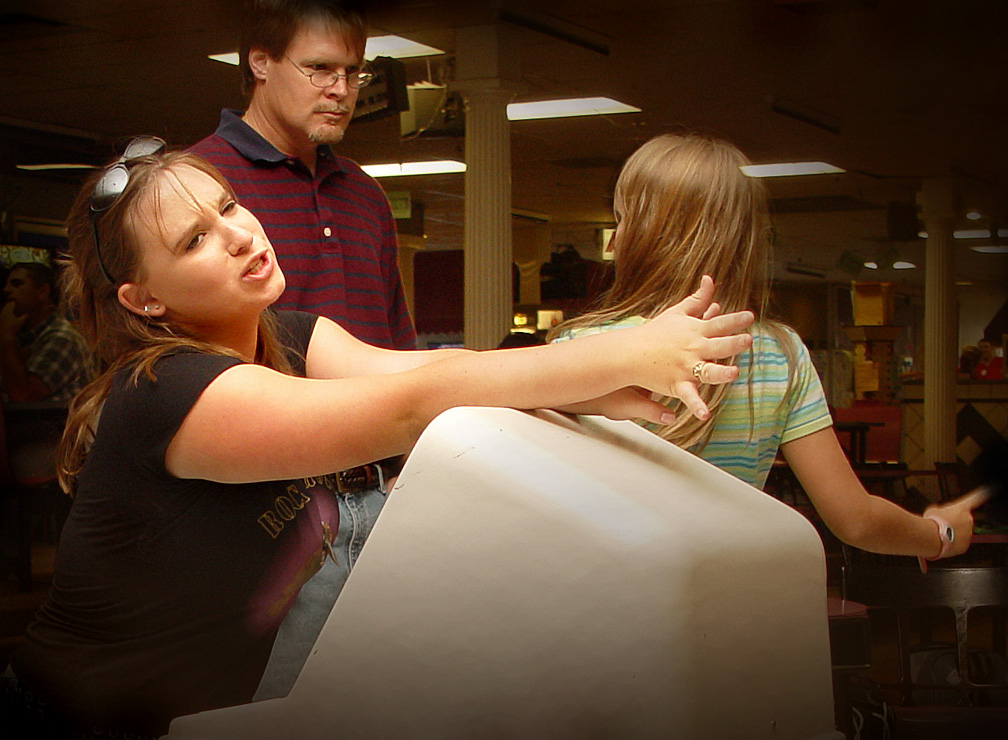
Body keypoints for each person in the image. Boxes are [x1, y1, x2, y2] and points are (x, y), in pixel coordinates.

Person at [1, 143, 754, 738]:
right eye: (195, 239)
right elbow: (409, 408)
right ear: (145, 299)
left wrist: (604, 393)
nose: (237, 235)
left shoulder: (289, 336)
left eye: (229, 205)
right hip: (79, 720)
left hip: (197, 711)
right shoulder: (167, 392)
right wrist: (622, 355)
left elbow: (440, 369)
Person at [550, 132, 985, 569]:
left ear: (649, 235)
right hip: (728, 601)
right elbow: (856, 520)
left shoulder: (582, 345)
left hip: (608, 601)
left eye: (623, 219)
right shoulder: (782, 354)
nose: (613, 241)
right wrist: (938, 535)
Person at [190, 0, 415, 350]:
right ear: (261, 62)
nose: (341, 90)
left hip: (378, 402)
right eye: (320, 68)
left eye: (353, 73)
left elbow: (398, 341)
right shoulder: (197, 181)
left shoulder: (364, 193)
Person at [0, 261, 91, 404]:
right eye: (6, 284)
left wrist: (5, 337)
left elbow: (21, 396)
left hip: (57, 425)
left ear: (42, 291)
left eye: (16, 284)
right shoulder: (23, 335)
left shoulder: (63, 338)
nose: (6, 290)